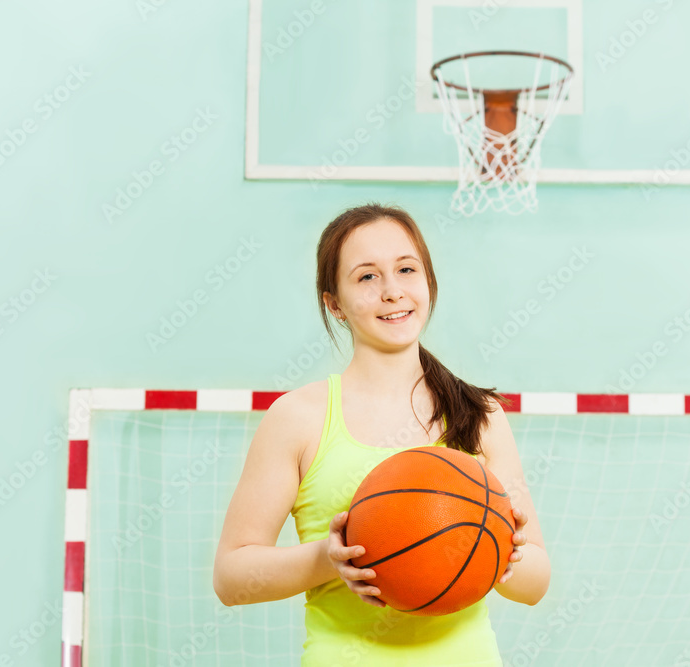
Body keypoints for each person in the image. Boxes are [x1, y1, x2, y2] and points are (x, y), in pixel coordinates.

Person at [213, 203, 550, 665]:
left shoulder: (479, 414)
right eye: (367, 277)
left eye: (406, 269)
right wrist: (329, 559)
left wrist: (499, 552)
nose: (393, 291)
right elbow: (231, 579)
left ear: (428, 283)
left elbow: (536, 582)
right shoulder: (297, 418)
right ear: (335, 304)